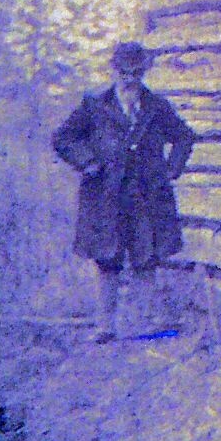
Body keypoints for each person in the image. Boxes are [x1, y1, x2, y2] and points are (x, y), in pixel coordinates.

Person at [52, 41, 196, 343]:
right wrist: (86, 161)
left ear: (144, 72)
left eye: (137, 73)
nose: (131, 79)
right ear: (115, 70)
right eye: (125, 72)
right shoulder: (95, 106)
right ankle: (105, 326)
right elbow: (62, 137)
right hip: (106, 195)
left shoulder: (156, 106)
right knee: (107, 260)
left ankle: (147, 323)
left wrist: (172, 168)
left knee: (146, 258)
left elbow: (184, 136)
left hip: (146, 196)